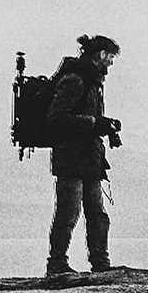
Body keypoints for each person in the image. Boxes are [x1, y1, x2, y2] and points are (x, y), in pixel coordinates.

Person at [45, 33, 122, 275]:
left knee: (97, 214)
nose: (111, 62)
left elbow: (87, 120)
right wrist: (94, 123)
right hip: (71, 159)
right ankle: (57, 264)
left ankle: (100, 263)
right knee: (69, 213)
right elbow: (56, 119)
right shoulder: (75, 80)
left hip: (90, 158)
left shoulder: (92, 81)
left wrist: (104, 125)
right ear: (100, 54)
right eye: (110, 57)